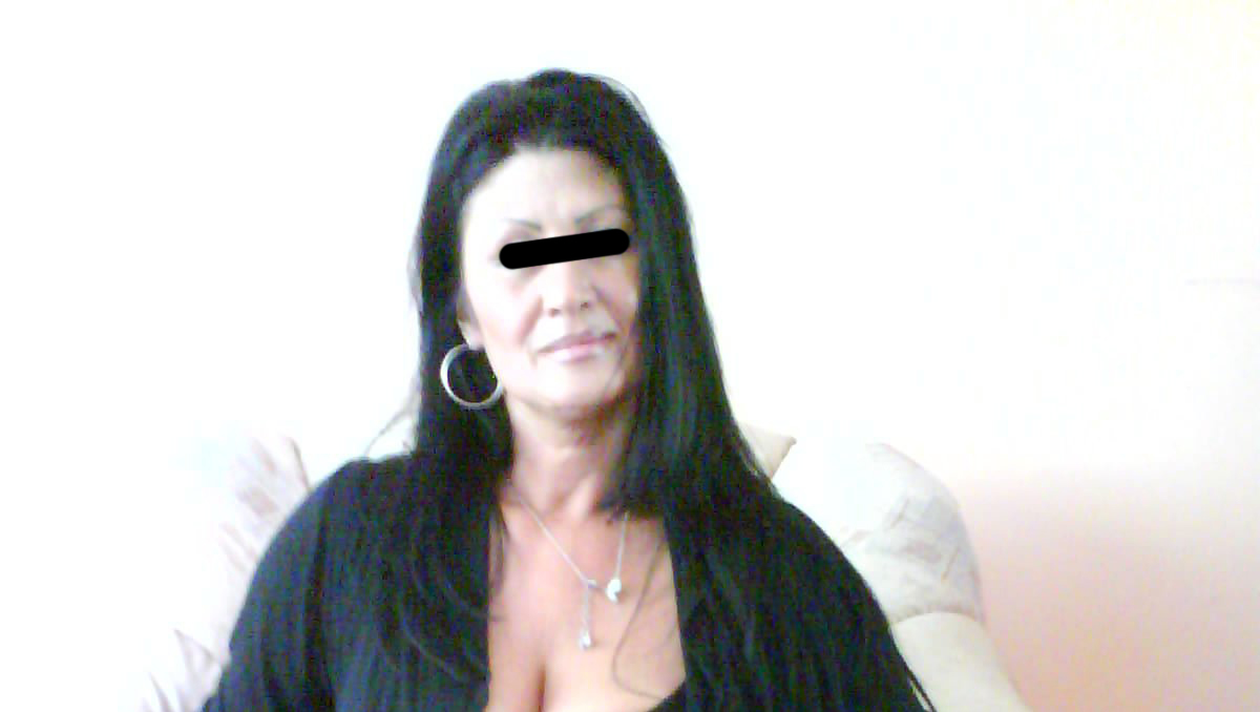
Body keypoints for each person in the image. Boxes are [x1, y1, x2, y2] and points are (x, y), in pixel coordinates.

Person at [200, 68, 937, 712]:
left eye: (602, 242)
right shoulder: (349, 539)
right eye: (519, 255)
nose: (566, 290)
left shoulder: (782, 577)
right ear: (465, 314)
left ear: (658, 278)